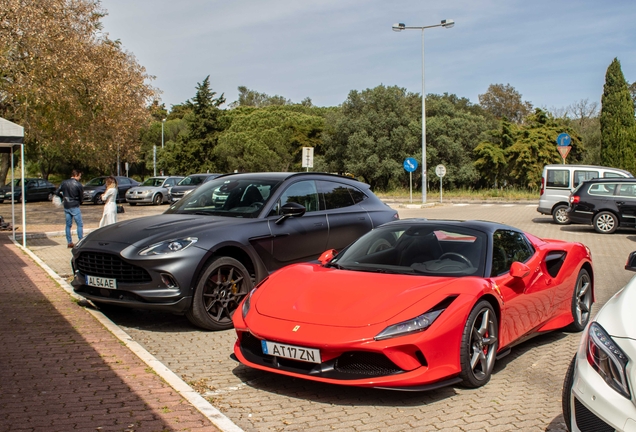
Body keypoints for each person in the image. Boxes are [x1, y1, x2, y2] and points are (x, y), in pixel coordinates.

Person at [55, 169, 84, 248]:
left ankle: (69, 242)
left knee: (68, 224)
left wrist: (62, 197)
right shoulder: (78, 184)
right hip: (74, 205)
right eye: (80, 176)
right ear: (76, 175)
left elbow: (57, 191)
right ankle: (80, 241)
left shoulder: (64, 182)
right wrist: (80, 201)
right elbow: (81, 196)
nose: (80, 178)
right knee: (79, 224)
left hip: (66, 205)